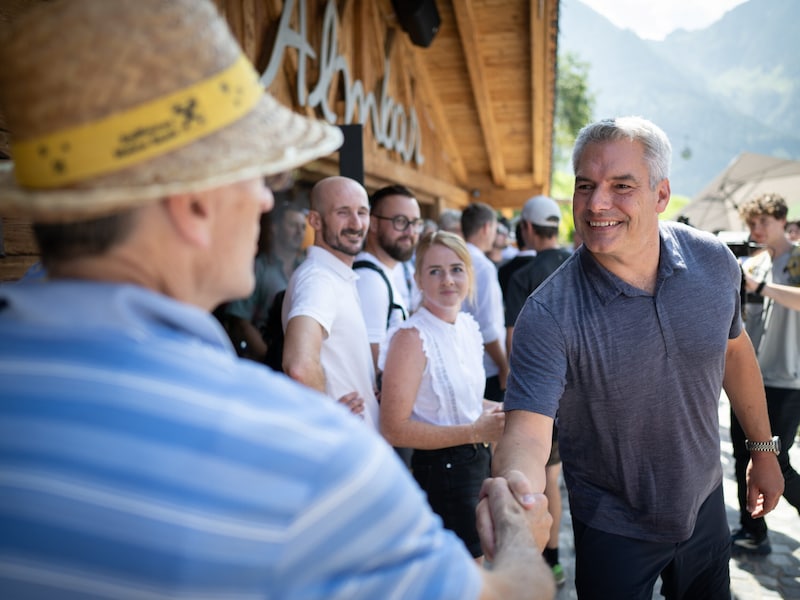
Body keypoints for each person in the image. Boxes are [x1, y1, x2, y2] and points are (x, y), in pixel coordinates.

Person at [0, 2, 557, 599]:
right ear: (193, 204)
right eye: (258, 177)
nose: (269, 203)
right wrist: (520, 537)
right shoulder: (296, 455)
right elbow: (508, 595)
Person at [491, 116, 784, 598]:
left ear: (661, 195)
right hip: (612, 523)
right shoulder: (549, 311)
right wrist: (517, 497)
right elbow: (524, 431)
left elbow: (735, 353)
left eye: (621, 186)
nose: (597, 203)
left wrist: (763, 449)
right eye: (585, 185)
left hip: (705, 503)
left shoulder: (713, 261)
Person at [379, 231, 506, 560]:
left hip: (476, 463)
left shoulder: (466, 327)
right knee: (467, 575)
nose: (447, 279)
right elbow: (393, 427)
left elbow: (460, 402)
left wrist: (508, 410)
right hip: (441, 472)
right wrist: (475, 432)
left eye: (456, 269)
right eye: (435, 271)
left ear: (469, 273)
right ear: (418, 278)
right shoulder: (411, 337)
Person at [502, 194, 572, 587]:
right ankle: (555, 560)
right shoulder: (581, 265)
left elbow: (516, 344)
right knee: (556, 478)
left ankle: (527, 562)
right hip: (579, 395)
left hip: (538, 397)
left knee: (534, 477)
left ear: (527, 228)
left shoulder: (519, 276)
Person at [731, 192, 800, 555]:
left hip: (790, 376)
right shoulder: (754, 261)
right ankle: (752, 531)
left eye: (763, 222)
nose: (756, 229)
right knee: (745, 455)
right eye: (751, 223)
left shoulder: (798, 257)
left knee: (778, 458)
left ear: (782, 220)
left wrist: (760, 287)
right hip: (750, 373)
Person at [281, 176, 376, 426]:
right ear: (315, 221)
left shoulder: (334, 276)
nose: (356, 224)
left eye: (362, 212)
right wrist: (328, 419)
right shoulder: (318, 280)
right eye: (343, 212)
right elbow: (299, 365)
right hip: (344, 446)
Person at [222, 202, 307, 361]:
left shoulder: (307, 268)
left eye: (303, 227)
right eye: (293, 225)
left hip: (300, 362)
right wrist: (269, 358)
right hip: (263, 362)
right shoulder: (258, 267)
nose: (299, 232)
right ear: (275, 228)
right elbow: (241, 321)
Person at [355, 184, 421, 369]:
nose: (410, 232)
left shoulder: (386, 272)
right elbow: (373, 364)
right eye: (400, 221)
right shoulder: (369, 280)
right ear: (373, 223)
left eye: (415, 223)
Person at [461, 202, 508, 403]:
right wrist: (504, 366)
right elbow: (487, 327)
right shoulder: (483, 267)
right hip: (487, 367)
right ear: (487, 228)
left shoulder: (456, 258)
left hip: (462, 361)